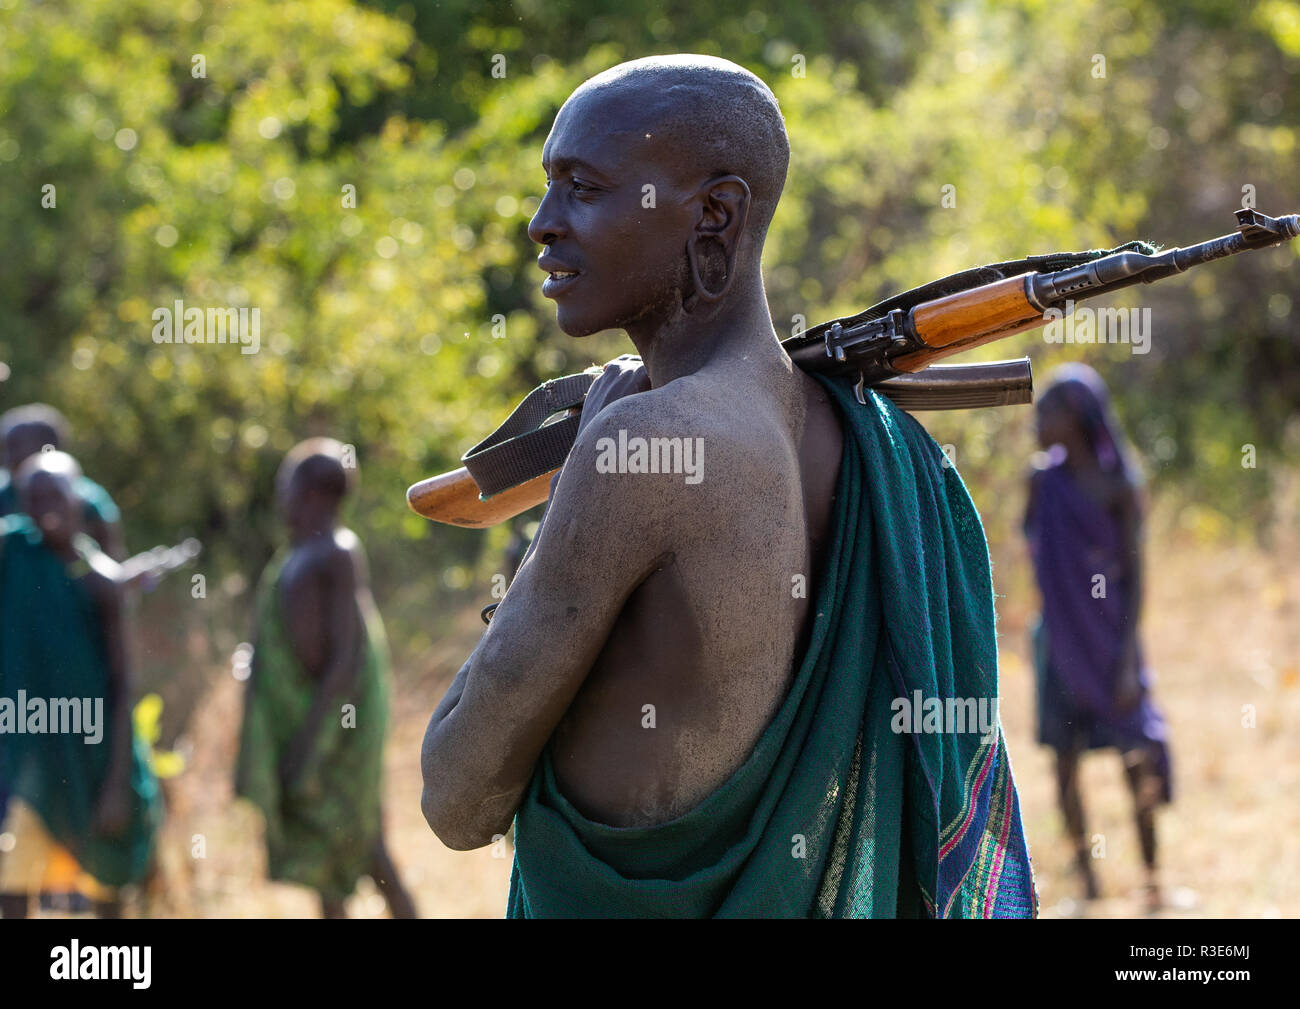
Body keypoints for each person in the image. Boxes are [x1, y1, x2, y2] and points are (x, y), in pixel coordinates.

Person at [421, 55, 1035, 917]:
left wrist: (577, 478)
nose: (540, 223)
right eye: (547, 187)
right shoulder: (870, 436)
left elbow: (456, 794)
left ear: (715, 215)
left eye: (582, 188)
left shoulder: (639, 449)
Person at [235, 438, 416, 918]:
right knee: (325, 851)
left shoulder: (337, 551)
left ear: (313, 492)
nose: (281, 497)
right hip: (310, 720)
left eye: (286, 485)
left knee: (366, 843)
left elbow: (344, 659)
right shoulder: (292, 556)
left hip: (338, 727)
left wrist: (311, 741)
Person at [1023, 363, 1172, 911]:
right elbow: (1036, 554)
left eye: (1048, 411)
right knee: (1063, 762)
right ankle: (1086, 883)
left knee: (1138, 754)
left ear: (1078, 419)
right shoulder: (1041, 480)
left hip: (1112, 642)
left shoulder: (1119, 486)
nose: (1036, 420)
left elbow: (1134, 576)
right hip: (1058, 643)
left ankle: (1153, 879)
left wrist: (1129, 655)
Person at [0, 452, 161, 918]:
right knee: (13, 885)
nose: (46, 506)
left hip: (95, 753)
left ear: (80, 499)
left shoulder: (101, 582)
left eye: (56, 494)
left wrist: (114, 785)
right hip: (34, 754)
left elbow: (123, 683)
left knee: (103, 888)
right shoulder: (15, 554)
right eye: (34, 498)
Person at [0, 403, 125, 560]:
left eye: (15, 448)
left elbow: (112, 558)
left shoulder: (87, 500)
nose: (8, 459)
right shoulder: (3, 492)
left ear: (47, 449)